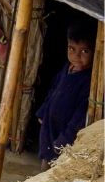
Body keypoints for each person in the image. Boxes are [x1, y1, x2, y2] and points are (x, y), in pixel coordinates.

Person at [37, 25, 95, 165]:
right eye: (71, 49)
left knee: (58, 163)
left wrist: (65, 139)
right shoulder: (67, 68)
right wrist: (43, 111)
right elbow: (53, 89)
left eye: (84, 51)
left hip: (65, 129)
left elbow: (80, 117)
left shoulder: (89, 81)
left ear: (95, 53)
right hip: (50, 123)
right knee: (46, 154)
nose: (76, 56)